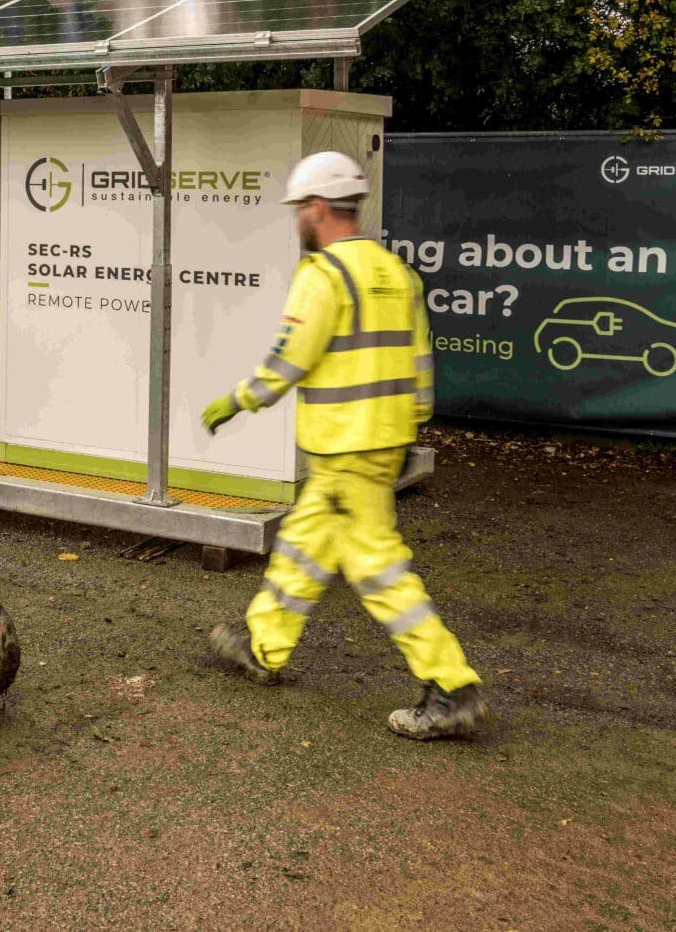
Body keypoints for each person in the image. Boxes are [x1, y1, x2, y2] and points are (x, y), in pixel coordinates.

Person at [199, 151, 486, 741]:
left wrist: (239, 399)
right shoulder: (397, 273)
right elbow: (420, 366)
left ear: (319, 208)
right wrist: (411, 428)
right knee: (305, 546)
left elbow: (288, 361)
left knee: (379, 571)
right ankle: (263, 645)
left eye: (300, 209)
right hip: (377, 447)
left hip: (344, 450)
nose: (297, 220)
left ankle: (451, 684)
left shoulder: (326, 276)